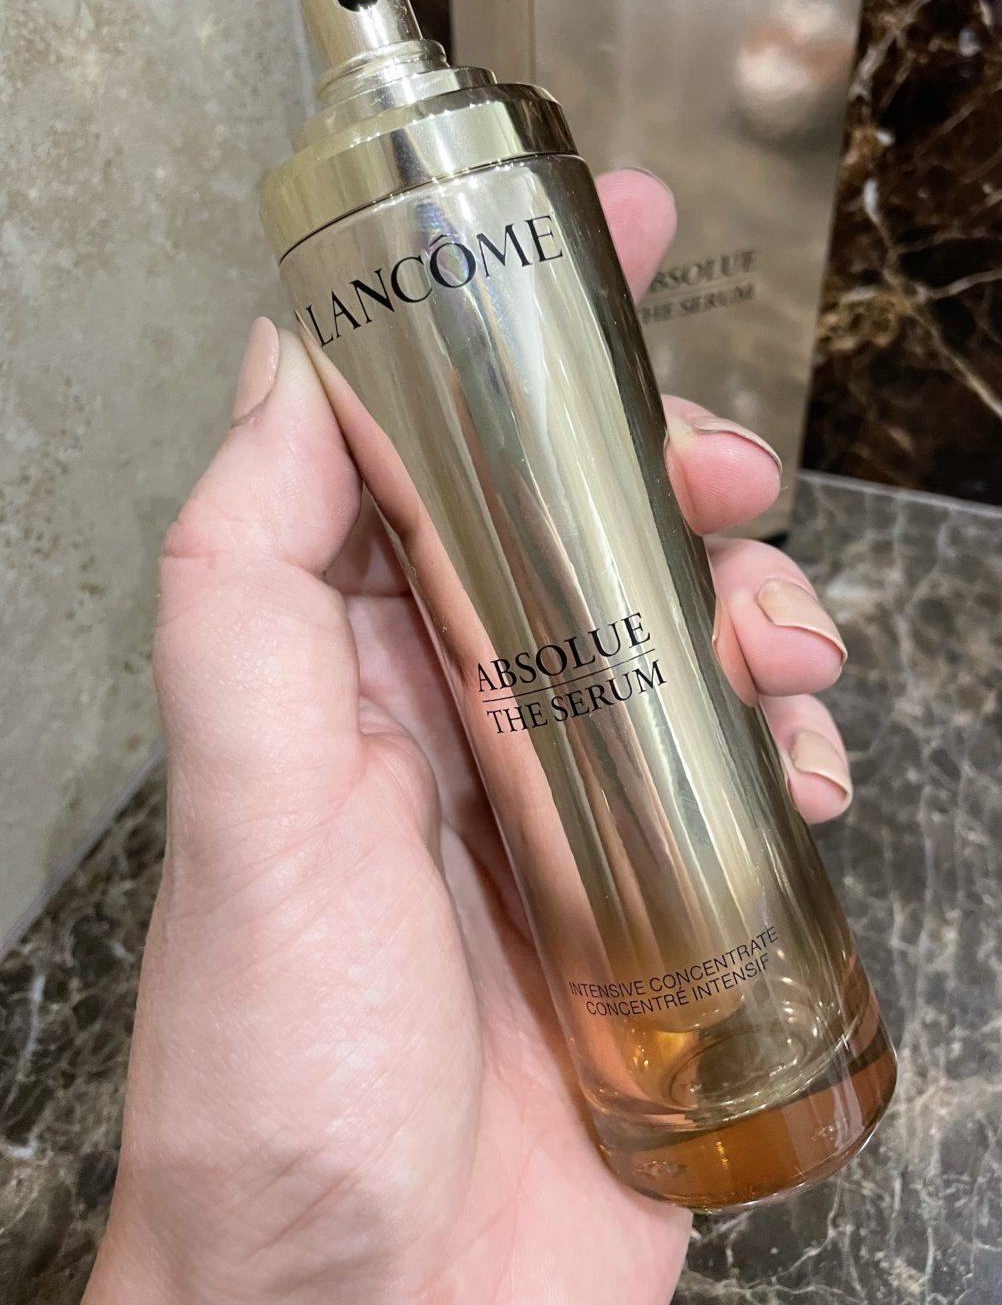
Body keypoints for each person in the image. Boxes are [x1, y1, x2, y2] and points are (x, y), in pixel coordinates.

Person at [84, 172, 854, 1305]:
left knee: (692, 617)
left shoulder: (518, 190)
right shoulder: (360, 243)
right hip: (564, 1082)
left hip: (709, 1059)